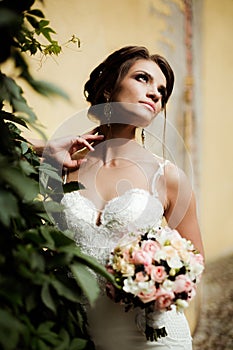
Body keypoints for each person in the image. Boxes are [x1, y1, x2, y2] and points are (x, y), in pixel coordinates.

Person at [46, 46, 204, 349]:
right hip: (81, 335)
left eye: (162, 90)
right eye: (142, 78)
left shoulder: (167, 175)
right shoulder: (63, 167)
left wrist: (156, 284)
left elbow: (195, 261)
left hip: (154, 337)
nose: (156, 93)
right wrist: (45, 150)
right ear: (108, 88)